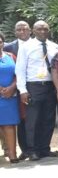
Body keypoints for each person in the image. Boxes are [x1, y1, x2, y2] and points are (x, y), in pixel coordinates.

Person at [16, 21, 58, 161]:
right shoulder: (26, 47)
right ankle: (32, 150)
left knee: (48, 119)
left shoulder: (54, 46)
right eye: (39, 29)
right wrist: (22, 90)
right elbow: (20, 69)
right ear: (33, 31)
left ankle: (44, 148)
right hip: (33, 86)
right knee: (32, 120)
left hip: (50, 86)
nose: (43, 32)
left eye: (45, 29)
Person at [3, 21, 31, 157]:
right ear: (15, 32)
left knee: (28, 119)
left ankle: (32, 149)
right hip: (10, 93)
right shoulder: (9, 47)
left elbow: (19, 71)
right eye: (18, 29)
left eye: (24, 29)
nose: (22, 31)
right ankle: (12, 149)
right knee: (15, 121)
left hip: (28, 89)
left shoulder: (36, 45)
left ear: (30, 30)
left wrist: (12, 87)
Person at [0, 33, 20, 163]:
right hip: (2, 93)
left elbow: (19, 73)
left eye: (0, 41)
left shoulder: (10, 56)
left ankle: (13, 154)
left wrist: (12, 87)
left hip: (9, 97)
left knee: (9, 125)